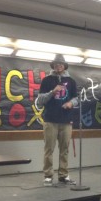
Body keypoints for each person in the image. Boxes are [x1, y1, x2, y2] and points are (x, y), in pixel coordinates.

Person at [36, 54, 78, 187]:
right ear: (53, 66)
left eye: (60, 64)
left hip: (66, 120)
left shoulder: (71, 81)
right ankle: (48, 175)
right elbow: (40, 100)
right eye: (56, 64)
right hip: (50, 120)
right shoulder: (47, 80)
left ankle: (63, 175)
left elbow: (77, 98)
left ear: (64, 66)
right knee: (49, 148)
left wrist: (71, 103)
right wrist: (52, 92)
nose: (58, 66)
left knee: (64, 149)